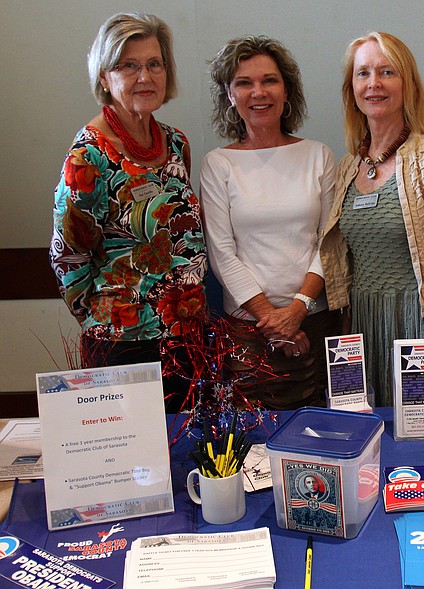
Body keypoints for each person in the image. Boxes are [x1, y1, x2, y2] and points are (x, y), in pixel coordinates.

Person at [49, 13, 207, 412]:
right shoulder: (88, 157)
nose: (145, 77)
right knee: (131, 468)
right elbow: (67, 256)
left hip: (187, 332)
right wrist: (105, 318)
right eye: (128, 66)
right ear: (104, 77)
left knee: (188, 456)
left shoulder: (175, 143)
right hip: (122, 343)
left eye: (155, 64)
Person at [320, 32, 424, 406]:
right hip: (363, 329)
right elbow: (346, 266)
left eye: (387, 72)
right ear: (352, 89)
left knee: (422, 447)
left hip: (422, 325)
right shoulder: (347, 167)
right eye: (363, 74)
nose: (374, 83)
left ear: (407, 84)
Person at [201, 36, 338, 411]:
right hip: (249, 328)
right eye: (244, 83)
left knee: (319, 431)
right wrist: (273, 321)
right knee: (255, 441)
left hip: (314, 319)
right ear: (229, 95)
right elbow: (222, 253)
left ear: (286, 89)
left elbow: (329, 243)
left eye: (269, 80)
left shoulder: (318, 155)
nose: (258, 92)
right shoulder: (218, 164)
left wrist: (296, 312)